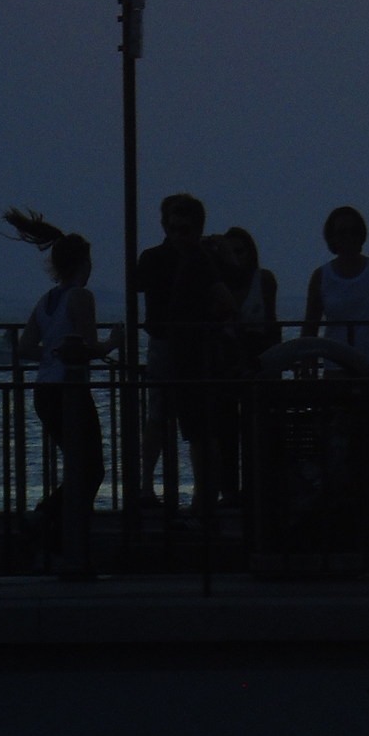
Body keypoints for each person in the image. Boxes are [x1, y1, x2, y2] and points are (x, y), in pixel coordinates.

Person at [5, 208, 119, 577]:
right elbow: (88, 346)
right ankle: (51, 527)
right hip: (70, 392)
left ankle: (52, 531)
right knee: (92, 469)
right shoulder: (81, 298)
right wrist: (113, 342)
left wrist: (52, 353)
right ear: (85, 262)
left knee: (80, 467)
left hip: (44, 391)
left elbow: (24, 349)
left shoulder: (46, 301)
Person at [131, 192, 231, 512]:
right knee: (165, 416)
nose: (177, 235)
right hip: (167, 342)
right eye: (173, 227)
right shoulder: (162, 258)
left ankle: (200, 495)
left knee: (193, 424)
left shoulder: (196, 258)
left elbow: (225, 298)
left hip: (189, 345)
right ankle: (151, 486)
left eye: (183, 228)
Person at [205, 226, 278, 504]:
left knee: (257, 428)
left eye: (241, 251)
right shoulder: (217, 285)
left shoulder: (264, 280)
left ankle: (257, 485)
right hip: (226, 364)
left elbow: (271, 323)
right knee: (225, 430)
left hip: (257, 360)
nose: (237, 257)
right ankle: (229, 490)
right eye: (231, 251)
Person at [301, 205, 369, 376]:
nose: (349, 237)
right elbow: (310, 327)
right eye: (342, 232)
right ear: (332, 237)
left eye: (354, 231)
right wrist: (306, 365)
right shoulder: (321, 276)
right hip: (336, 366)